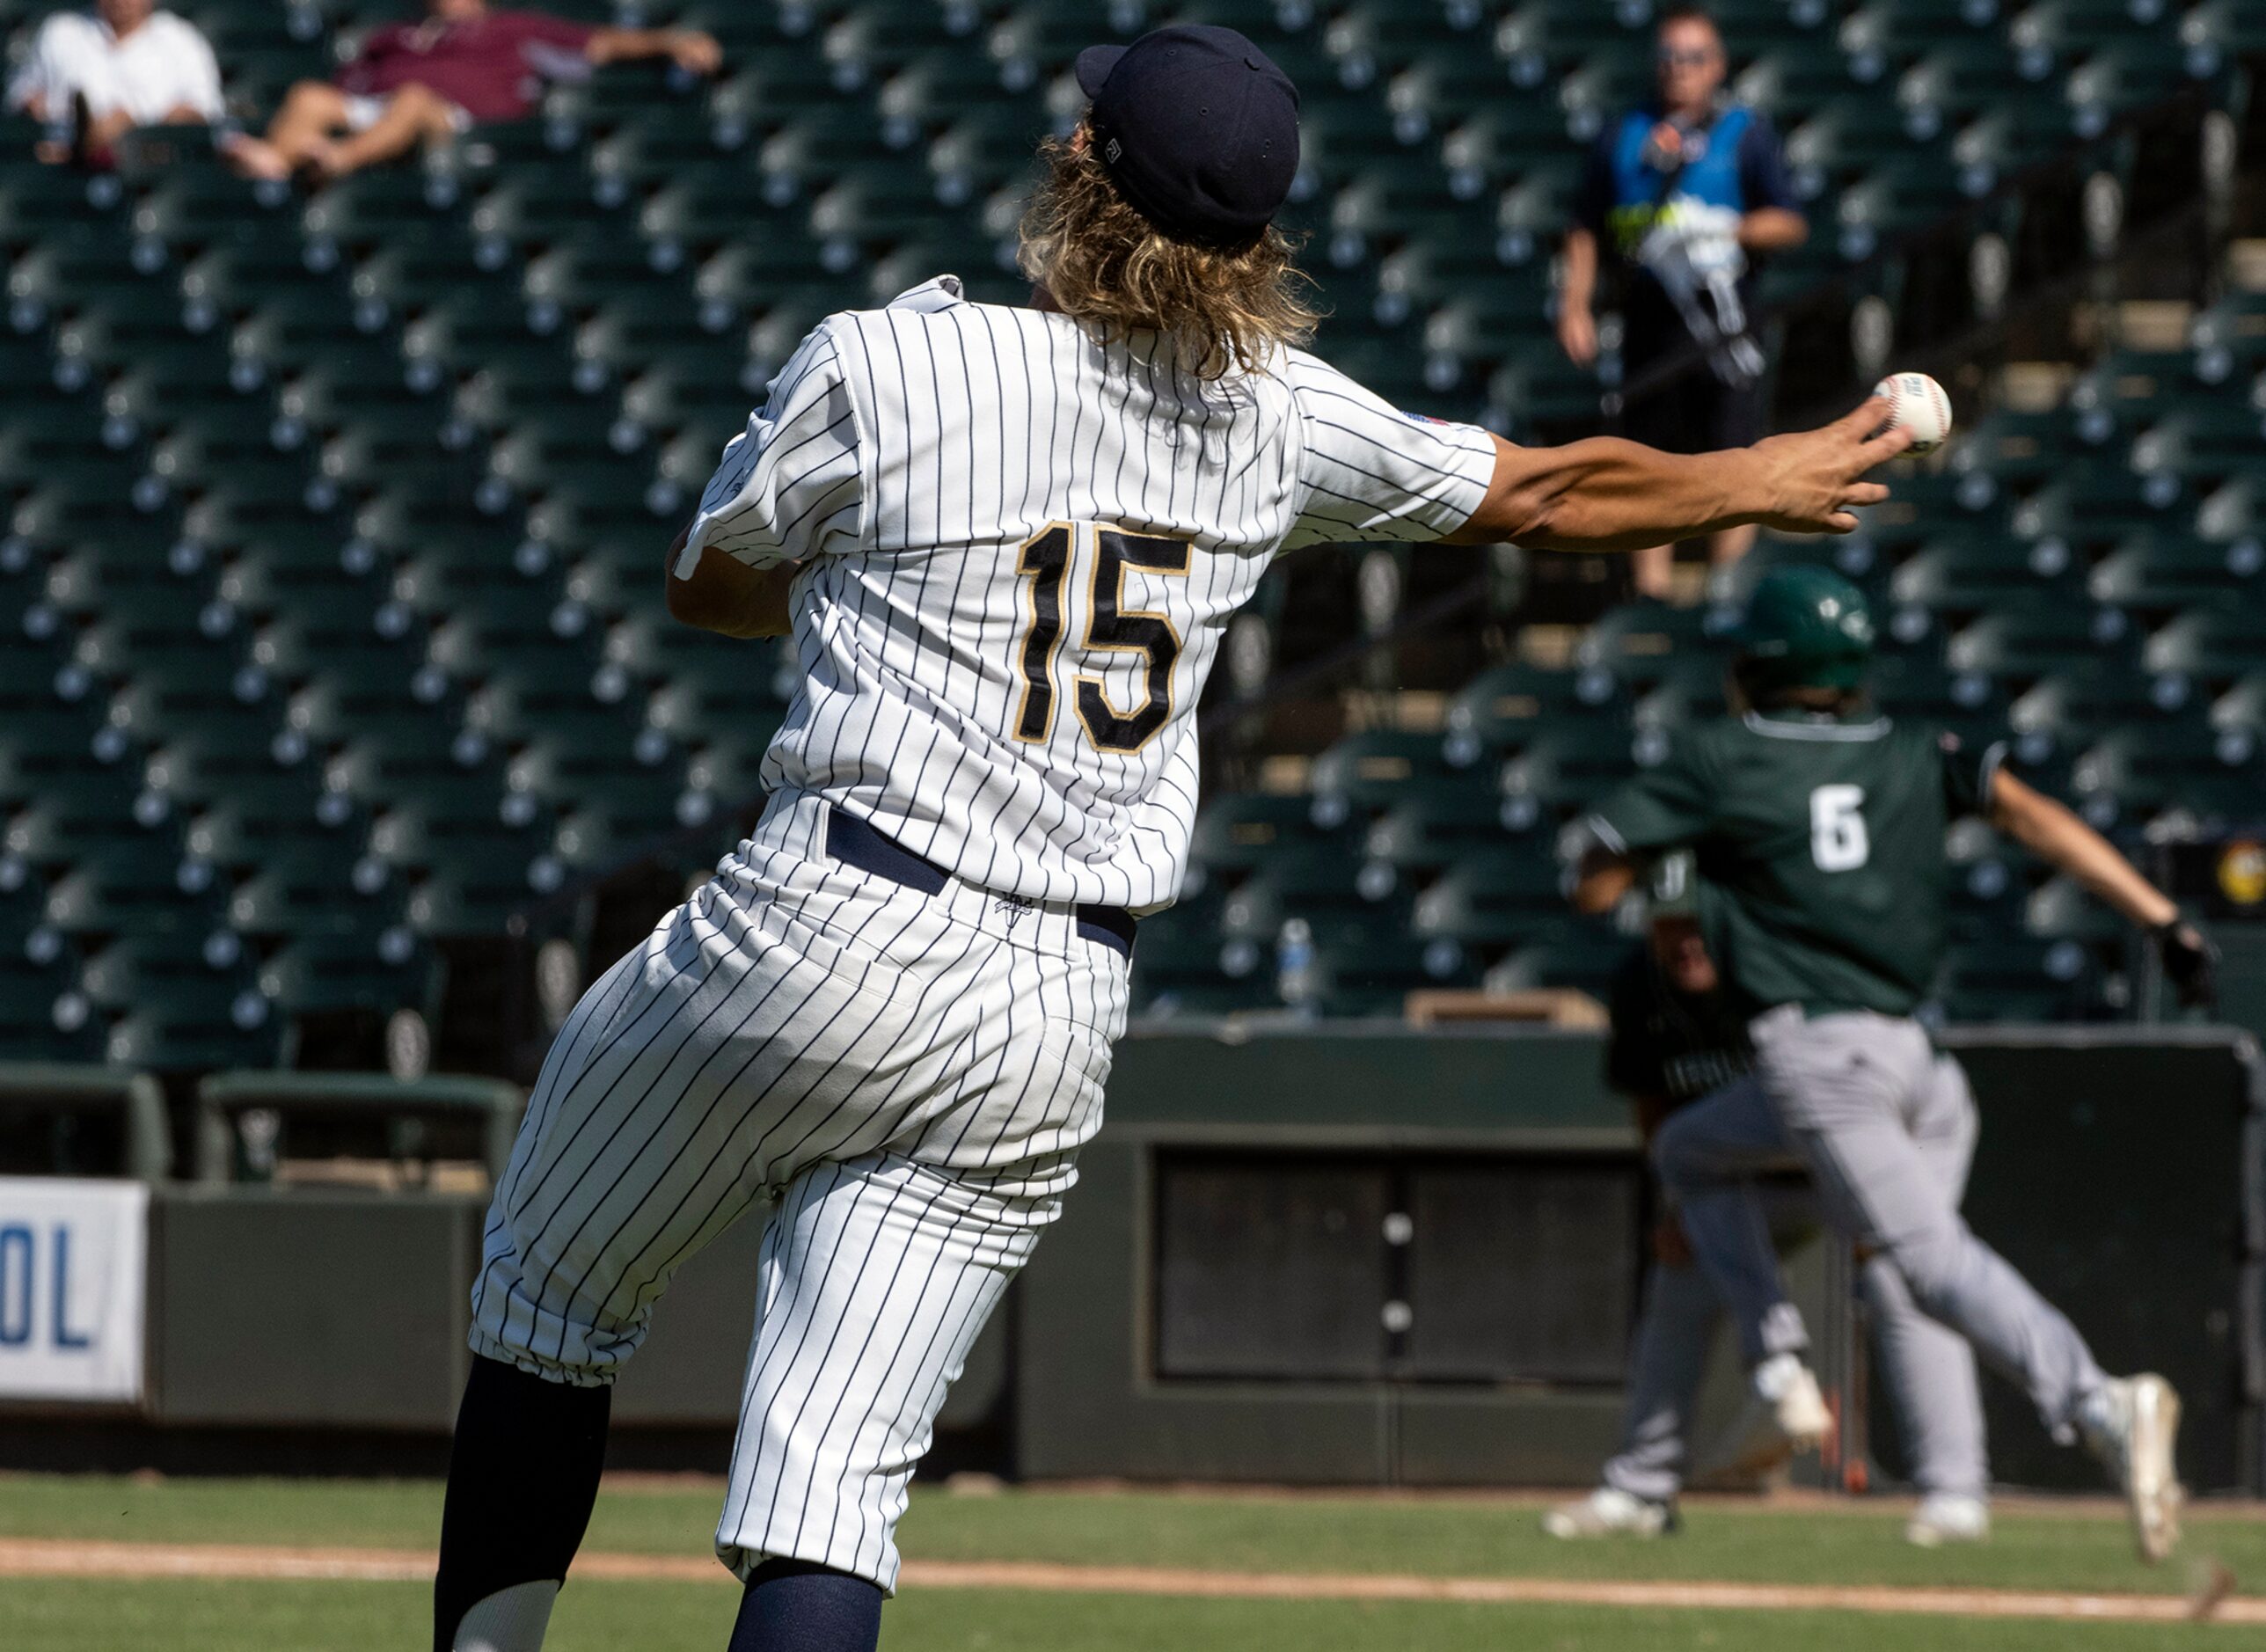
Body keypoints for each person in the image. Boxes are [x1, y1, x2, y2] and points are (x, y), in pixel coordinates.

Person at [428, 25, 1911, 1652]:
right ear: (1255, 243)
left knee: (551, 1303)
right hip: (1049, 1000)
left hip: (828, 910)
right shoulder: (1270, 413)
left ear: (1080, 172)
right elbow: (1547, 493)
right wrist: (1757, 473)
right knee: (829, 1487)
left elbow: (707, 586)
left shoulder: (896, 358)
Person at [1567, 564, 2218, 1563]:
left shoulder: (1721, 757)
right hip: (1918, 1057)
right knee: (1694, 1156)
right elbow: (2036, 818)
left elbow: (1593, 877)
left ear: (1754, 667)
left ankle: (2097, 1403)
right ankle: (1912, 1463)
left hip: (1821, 1059)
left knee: (1924, 1264)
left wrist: (1691, 862)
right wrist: (2160, 916)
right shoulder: (1913, 747)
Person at [1545, 853, 1993, 1548]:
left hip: (1881, 1144)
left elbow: (1884, 1088)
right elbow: (1656, 1107)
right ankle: (1642, 1486)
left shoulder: (1786, 977)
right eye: (1670, 926)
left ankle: (1955, 1494)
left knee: (1905, 1277)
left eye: (1699, 925)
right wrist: (1679, 1204)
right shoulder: (1641, 985)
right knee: (1680, 1265)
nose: (1685, 941)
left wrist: (1887, 1218)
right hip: (1749, 1171)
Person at [1559, 4, 1807, 603]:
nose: (1679, 70)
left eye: (1694, 58)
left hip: (1723, 319)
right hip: (1646, 319)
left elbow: (1789, 221)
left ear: (1717, 65)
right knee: (1646, 455)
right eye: (1669, 57)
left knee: (1734, 446)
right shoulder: (1623, 135)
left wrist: (1726, 231)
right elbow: (1586, 224)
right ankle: (1652, 595)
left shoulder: (1743, 133)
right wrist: (1574, 303)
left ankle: (1725, 589)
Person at [223, 0, 720, 182]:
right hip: (376, 108)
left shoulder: (512, 29)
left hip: (454, 123)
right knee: (310, 96)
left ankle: (337, 162)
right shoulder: (395, 34)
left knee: (413, 99)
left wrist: (667, 40)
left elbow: (600, 45)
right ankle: (274, 166)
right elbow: (346, 87)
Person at [6, 0, 223, 164]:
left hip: (150, 174)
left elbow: (205, 114)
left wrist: (132, 124)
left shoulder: (182, 40)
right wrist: (39, 112)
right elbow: (21, 99)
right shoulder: (60, 32)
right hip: (65, 173)